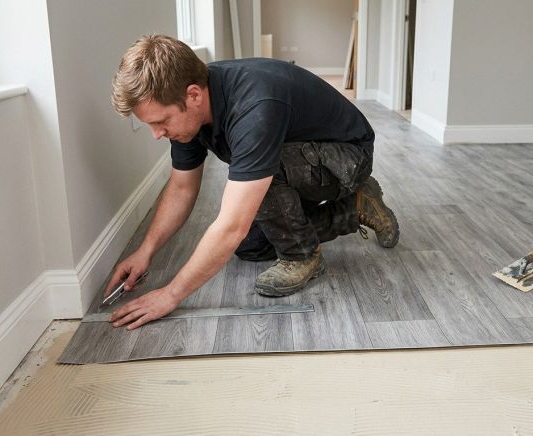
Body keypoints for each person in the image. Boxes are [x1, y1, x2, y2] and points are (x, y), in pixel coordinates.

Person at [105, 34, 399, 330]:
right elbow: (182, 187)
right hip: (304, 157)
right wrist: (145, 251)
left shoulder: (254, 107)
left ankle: (302, 257)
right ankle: (357, 207)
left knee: (259, 181)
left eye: (160, 122)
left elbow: (232, 224)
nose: (157, 133)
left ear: (193, 95)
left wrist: (171, 295)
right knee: (250, 246)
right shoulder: (186, 113)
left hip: (348, 157)